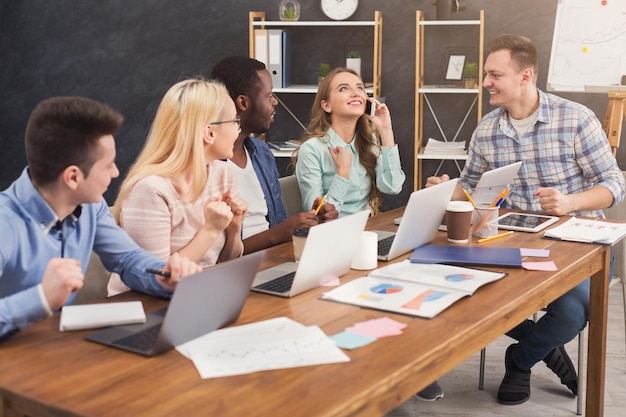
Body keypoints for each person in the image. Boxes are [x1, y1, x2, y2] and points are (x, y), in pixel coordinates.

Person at [426, 34, 625, 405]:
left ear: (525, 76)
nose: (486, 83)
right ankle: (543, 347)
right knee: (464, 295)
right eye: (487, 74)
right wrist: (444, 186)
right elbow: (470, 187)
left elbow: (615, 184)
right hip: (512, 241)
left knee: (571, 313)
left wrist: (569, 202)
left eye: (494, 75)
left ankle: (519, 360)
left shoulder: (576, 119)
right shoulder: (487, 128)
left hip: (578, 243)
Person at [0, 96, 201, 342]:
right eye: (108, 165)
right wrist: (41, 298)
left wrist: (162, 276)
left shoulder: (91, 207)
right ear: (73, 177)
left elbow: (127, 259)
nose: (116, 172)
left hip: (55, 350)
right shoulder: (5, 224)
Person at [108, 78, 247, 295]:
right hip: (146, 305)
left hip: (201, 295)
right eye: (234, 121)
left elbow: (225, 261)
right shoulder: (150, 191)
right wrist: (210, 230)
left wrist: (234, 228)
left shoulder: (224, 174)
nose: (239, 130)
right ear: (209, 132)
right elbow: (159, 279)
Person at [209, 56, 338, 254]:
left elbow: (278, 226)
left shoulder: (261, 153)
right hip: (236, 268)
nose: (275, 102)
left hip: (274, 259)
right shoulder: (208, 164)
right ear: (243, 103)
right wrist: (278, 233)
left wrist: (311, 221)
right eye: (268, 95)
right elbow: (216, 256)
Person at [294, 67, 405, 217]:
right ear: (327, 105)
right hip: (331, 235)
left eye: (360, 88)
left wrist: (385, 130)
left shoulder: (367, 141)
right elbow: (317, 215)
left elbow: (393, 186)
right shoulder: (312, 149)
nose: (356, 93)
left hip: (366, 230)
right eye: (344, 88)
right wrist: (342, 173)